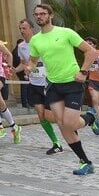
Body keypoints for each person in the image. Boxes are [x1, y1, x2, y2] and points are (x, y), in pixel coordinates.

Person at [29, 4, 99, 175]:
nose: (39, 16)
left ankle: (91, 117)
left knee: (70, 123)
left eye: (42, 13)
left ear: (51, 15)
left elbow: (91, 52)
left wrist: (83, 72)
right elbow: (32, 61)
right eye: (36, 14)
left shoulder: (66, 32)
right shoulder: (35, 40)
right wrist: (29, 68)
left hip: (72, 82)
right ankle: (85, 162)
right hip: (53, 85)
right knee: (62, 125)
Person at [15, 19, 63, 154]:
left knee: (53, 116)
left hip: (49, 83)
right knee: (41, 115)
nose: (22, 31)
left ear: (31, 29)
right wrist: (14, 70)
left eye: (24, 28)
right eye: (20, 29)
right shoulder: (21, 46)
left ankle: (74, 128)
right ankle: (56, 143)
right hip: (34, 84)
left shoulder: (41, 41)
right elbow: (24, 63)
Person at [84, 36, 99, 133]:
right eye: (86, 44)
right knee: (95, 101)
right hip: (93, 81)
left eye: (90, 44)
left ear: (94, 45)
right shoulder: (86, 55)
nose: (87, 46)